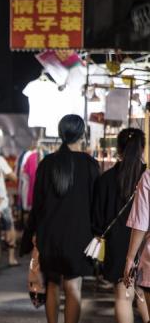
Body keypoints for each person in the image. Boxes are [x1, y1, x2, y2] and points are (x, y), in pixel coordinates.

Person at [30, 114, 99, 323]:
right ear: (82, 134)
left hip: (49, 234)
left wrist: (34, 235)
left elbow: (38, 203)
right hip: (79, 234)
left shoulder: (47, 163)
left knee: (52, 285)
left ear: (60, 134)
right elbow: (95, 204)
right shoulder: (90, 164)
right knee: (73, 287)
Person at [93, 128, 148, 323]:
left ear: (119, 148)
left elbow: (98, 217)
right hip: (144, 242)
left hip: (117, 243)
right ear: (142, 148)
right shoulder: (147, 175)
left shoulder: (106, 179)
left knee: (123, 297)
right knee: (143, 293)